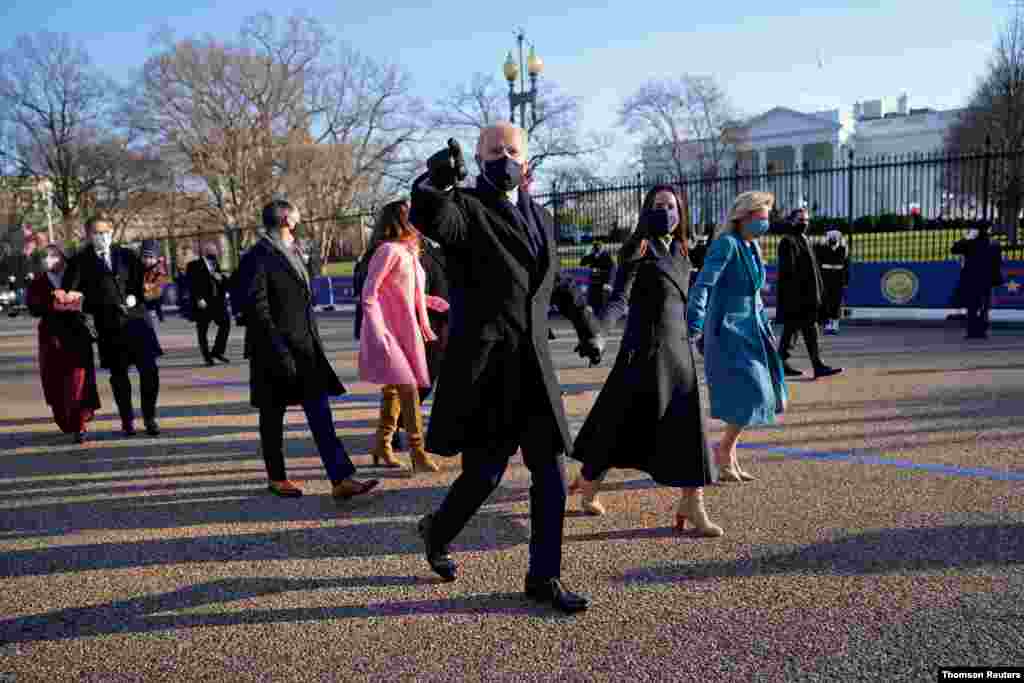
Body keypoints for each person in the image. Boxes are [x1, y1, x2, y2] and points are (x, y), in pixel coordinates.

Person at [410, 125, 604, 613]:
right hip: (489, 369)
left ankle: (544, 577)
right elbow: (434, 218)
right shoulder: (466, 207)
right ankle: (437, 530)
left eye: (512, 151)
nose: (504, 158)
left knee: (553, 476)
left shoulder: (541, 216)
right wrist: (434, 182)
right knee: (484, 476)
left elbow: (554, 281)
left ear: (528, 159)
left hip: (535, 368)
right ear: (477, 158)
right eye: (494, 152)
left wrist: (586, 324)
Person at [569, 185, 722, 536]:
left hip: (679, 352)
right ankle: (589, 481)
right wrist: (600, 333)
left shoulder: (683, 251)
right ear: (645, 211)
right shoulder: (637, 248)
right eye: (657, 205)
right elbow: (619, 300)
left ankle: (693, 504)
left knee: (688, 428)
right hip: (643, 351)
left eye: (670, 206)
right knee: (616, 425)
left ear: (680, 213)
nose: (665, 211)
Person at [235, 199, 378, 500]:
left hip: (305, 348)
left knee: (320, 412)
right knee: (272, 415)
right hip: (273, 350)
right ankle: (277, 477)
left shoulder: (293, 252)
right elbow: (257, 310)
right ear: (287, 218)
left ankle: (341, 478)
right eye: (297, 213)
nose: (301, 217)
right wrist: (278, 350)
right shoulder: (259, 255)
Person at [688, 192, 789, 483]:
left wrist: (764, 322)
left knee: (762, 391)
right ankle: (724, 449)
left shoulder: (752, 246)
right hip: (729, 327)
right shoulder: (726, 245)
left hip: (753, 326)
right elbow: (703, 285)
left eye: (767, 216)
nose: (765, 222)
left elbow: (756, 292)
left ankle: (727, 453)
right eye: (760, 215)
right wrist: (695, 322)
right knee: (753, 391)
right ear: (742, 216)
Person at [359, 200, 446, 473]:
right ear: (403, 220)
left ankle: (381, 446)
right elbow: (369, 294)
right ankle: (417, 451)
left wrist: (431, 302)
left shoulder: (409, 252)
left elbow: (405, 290)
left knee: (394, 389)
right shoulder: (388, 251)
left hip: (407, 330)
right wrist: (376, 330)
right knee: (408, 387)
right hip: (389, 331)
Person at [63, 213, 163, 437]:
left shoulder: (127, 255)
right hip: (109, 326)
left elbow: (146, 287)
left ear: (112, 232)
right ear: (89, 235)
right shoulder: (80, 261)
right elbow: (73, 295)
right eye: (97, 233)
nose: (102, 237)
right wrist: (88, 315)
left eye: (106, 232)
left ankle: (150, 417)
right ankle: (127, 420)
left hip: (138, 322)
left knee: (150, 370)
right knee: (119, 376)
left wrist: (149, 288)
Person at [26, 245, 100, 445]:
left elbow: (92, 297)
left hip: (77, 334)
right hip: (52, 338)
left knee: (79, 380)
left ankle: (79, 423)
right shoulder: (38, 283)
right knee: (55, 382)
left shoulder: (76, 276)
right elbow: (33, 307)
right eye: (44, 257)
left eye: (52, 256)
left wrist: (78, 299)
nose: (48, 261)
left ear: (62, 258)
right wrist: (52, 302)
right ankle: (66, 420)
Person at [775, 207, 842, 379]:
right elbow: (788, 273)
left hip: (809, 296)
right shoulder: (787, 241)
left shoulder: (804, 239)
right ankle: (817, 365)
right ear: (791, 221)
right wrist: (796, 298)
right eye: (800, 220)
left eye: (806, 220)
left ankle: (779, 364)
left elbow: (812, 270)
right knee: (808, 330)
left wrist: (818, 292)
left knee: (792, 331)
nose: (804, 223)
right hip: (799, 298)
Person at [951, 224, 1004, 340]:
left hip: (972, 279)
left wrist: (966, 238)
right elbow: (998, 262)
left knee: (972, 306)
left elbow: (954, 249)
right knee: (984, 305)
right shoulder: (994, 243)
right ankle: (981, 330)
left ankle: (972, 331)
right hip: (987, 279)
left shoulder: (970, 243)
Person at [188, 241, 232, 366]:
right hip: (203, 303)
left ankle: (217, 351)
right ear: (206, 252)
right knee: (202, 331)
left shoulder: (215, 264)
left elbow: (220, 282)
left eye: (216, 252)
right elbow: (192, 285)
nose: (216, 254)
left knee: (226, 324)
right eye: (213, 252)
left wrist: (222, 279)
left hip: (217, 302)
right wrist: (198, 299)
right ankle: (207, 357)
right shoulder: (194, 265)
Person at [814, 229, 850, 335]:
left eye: (835, 238)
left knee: (837, 300)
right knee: (826, 300)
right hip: (826, 277)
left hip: (838, 278)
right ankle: (828, 322)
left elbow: (846, 265)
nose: (833, 240)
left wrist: (846, 280)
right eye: (831, 238)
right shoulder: (821, 248)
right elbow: (817, 262)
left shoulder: (844, 248)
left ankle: (835, 323)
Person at [579, 240, 616, 316]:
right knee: (591, 301)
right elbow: (582, 263)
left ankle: (602, 317)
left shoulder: (607, 257)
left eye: (598, 251)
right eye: (595, 251)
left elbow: (612, 270)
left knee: (602, 303)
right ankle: (593, 318)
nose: (596, 254)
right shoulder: (592, 255)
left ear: (602, 250)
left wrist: (609, 283)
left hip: (604, 283)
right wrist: (587, 253)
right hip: (593, 282)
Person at [141, 241, 169, 327]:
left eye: (150, 257)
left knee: (156, 304)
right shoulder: (141, 268)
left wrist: (150, 286)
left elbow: (161, 280)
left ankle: (159, 316)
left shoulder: (158, 268)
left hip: (154, 292)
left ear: (155, 258)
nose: (147, 260)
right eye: (145, 257)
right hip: (145, 294)